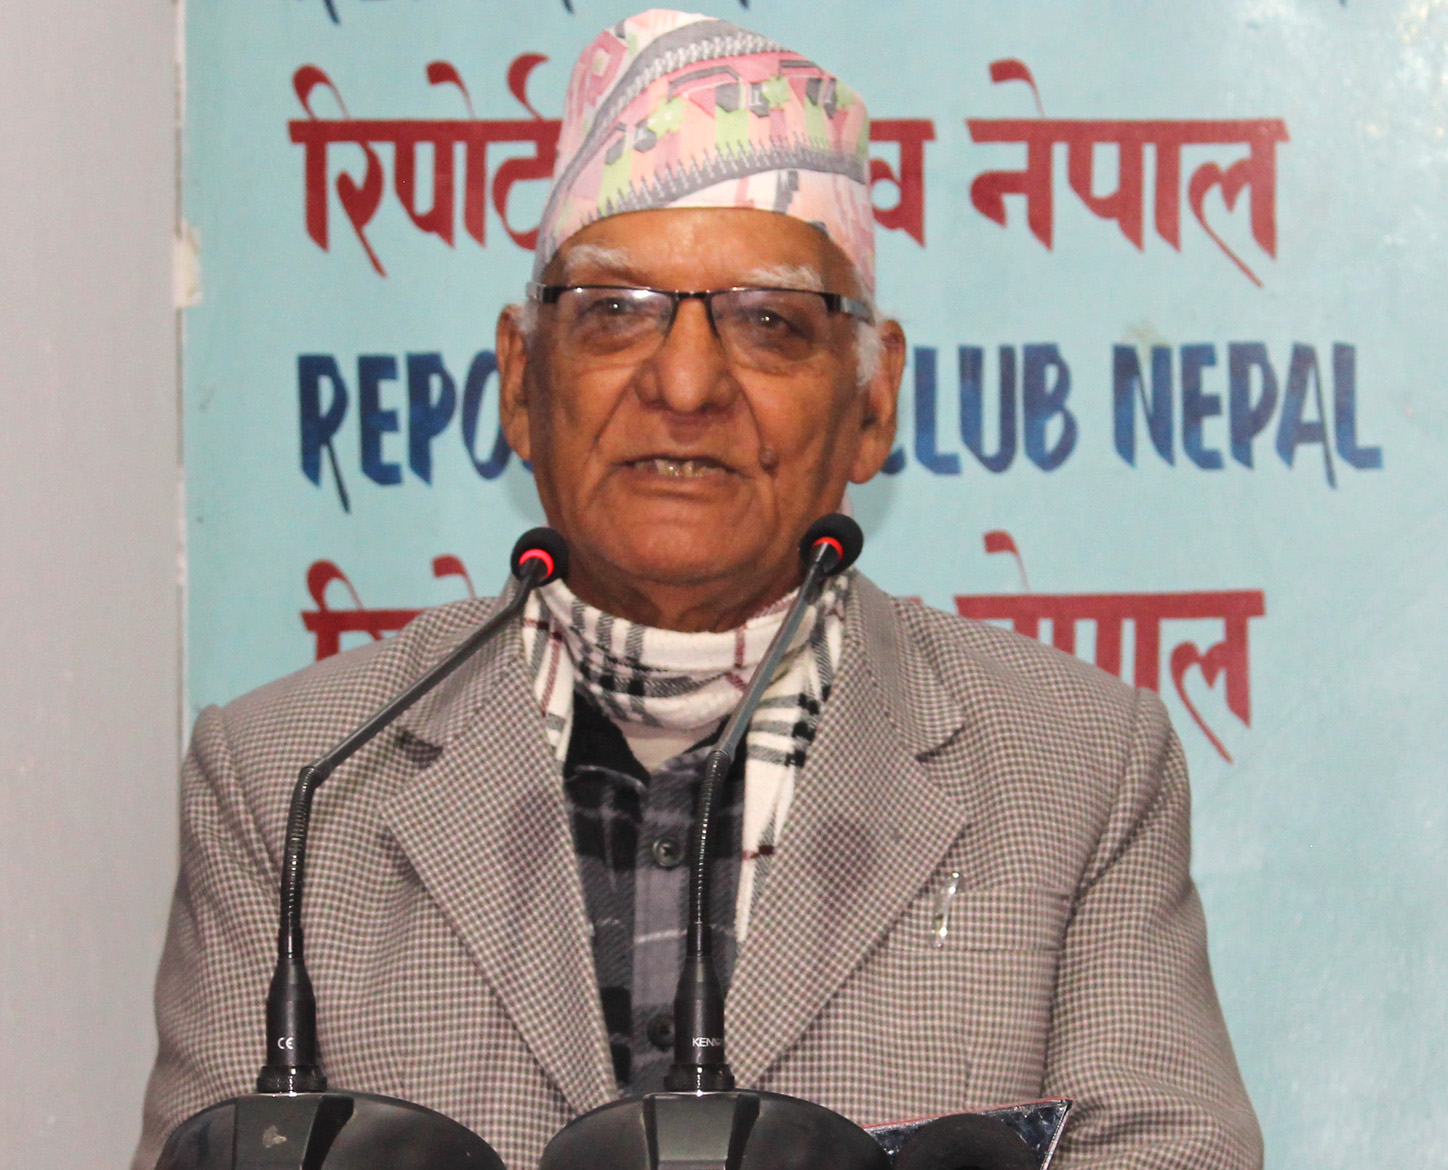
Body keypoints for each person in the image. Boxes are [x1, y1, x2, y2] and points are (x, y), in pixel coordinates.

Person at [134, 10, 1262, 1169]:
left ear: (872, 403)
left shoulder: (1075, 769)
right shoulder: (292, 780)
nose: (683, 383)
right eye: (614, 312)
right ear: (521, 382)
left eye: (768, 322)